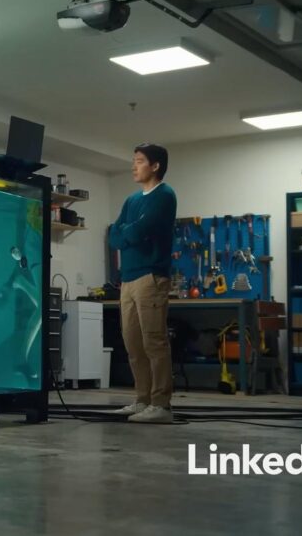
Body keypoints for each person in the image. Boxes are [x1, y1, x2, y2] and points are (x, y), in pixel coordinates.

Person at [109, 143, 177, 423]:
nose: (133, 166)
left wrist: (128, 231)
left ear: (155, 166)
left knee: (154, 342)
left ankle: (161, 405)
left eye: (139, 161)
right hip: (128, 279)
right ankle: (142, 400)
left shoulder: (164, 196)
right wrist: (127, 231)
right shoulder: (131, 201)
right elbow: (115, 235)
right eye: (134, 161)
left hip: (151, 276)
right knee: (133, 343)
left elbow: (139, 232)